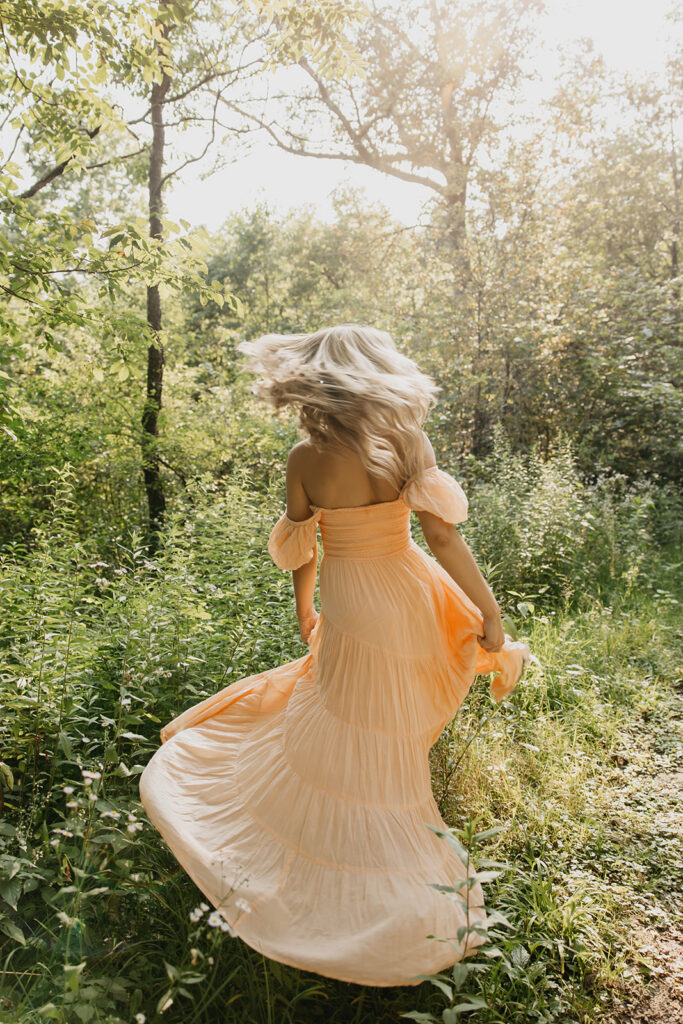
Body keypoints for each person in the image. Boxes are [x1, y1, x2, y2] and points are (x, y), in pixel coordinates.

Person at [139, 324, 531, 988]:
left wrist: (304, 609)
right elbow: (440, 536)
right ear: (375, 378)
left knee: (346, 707)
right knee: (391, 710)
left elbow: (303, 547)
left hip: (351, 600)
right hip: (405, 589)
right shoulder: (404, 442)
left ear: (313, 387)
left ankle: (352, 822)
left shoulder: (302, 459)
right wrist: (488, 612)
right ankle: (386, 811)